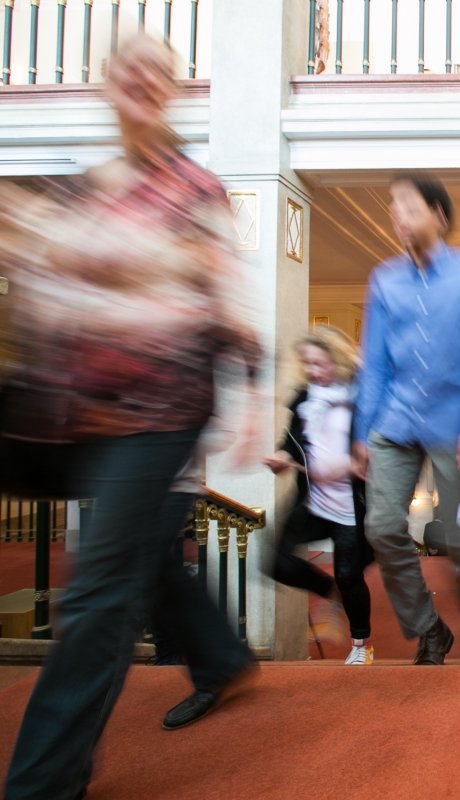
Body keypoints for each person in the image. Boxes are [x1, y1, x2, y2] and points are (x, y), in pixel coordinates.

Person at [0, 35, 262, 799]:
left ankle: (41, 783)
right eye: (127, 67)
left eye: (159, 69)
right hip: (84, 417)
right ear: (106, 85)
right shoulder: (82, 189)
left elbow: (230, 303)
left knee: (100, 587)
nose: (142, 79)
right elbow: (46, 296)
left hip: (163, 412)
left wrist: (248, 399)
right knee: (136, 561)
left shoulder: (195, 189)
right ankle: (217, 657)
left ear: (174, 90)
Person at [353, 170, 460, 665]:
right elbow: (373, 364)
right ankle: (429, 628)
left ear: (438, 214)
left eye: (409, 206)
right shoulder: (383, 278)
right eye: (392, 207)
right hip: (393, 422)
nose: (398, 216)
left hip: (452, 424)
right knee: (381, 528)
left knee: (458, 538)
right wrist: (360, 433)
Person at [266, 326, 374, 666]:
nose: (313, 370)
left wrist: (358, 462)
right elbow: (291, 442)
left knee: (349, 574)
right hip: (314, 501)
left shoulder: (362, 394)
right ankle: (331, 595)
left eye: (320, 363)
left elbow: (382, 442)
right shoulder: (303, 398)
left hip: (351, 504)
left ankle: (361, 645)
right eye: (307, 363)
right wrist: (282, 458)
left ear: (337, 359)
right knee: (276, 562)